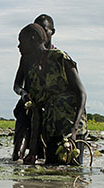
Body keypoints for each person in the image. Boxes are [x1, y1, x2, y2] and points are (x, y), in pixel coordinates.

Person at [17, 23, 87, 165]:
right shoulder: (33, 71)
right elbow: (36, 112)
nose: (19, 47)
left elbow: (82, 93)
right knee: (51, 176)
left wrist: (74, 130)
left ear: (33, 39)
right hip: (51, 132)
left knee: (73, 174)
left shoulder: (60, 58)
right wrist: (33, 151)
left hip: (71, 131)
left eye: (21, 42)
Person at [12, 14, 60, 161]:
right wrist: (24, 94)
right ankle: (17, 156)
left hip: (48, 106)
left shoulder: (57, 57)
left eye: (44, 29)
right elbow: (17, 85)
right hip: (28, 102)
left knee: (45, 148)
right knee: (22, 125)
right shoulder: (26, 57)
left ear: (52, 31)